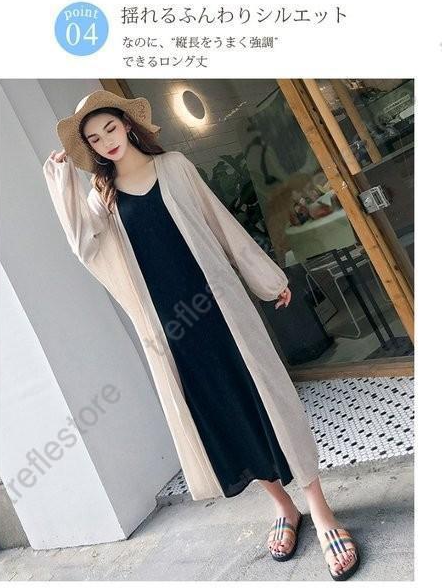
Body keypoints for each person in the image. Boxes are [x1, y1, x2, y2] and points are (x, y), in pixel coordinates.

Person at [43, 89, 360, 580]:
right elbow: (86, 247)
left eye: (110, 128)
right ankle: (282, 506)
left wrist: (267, 279)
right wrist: (61, 180)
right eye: (94, 139)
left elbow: (221, 224)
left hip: (221, 311)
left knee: (269, 400)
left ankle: (319, 510)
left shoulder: (174, 167)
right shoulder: (101, 199)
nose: (106, 141)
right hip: (172, 332)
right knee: (224, 413)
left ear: (127, 124)